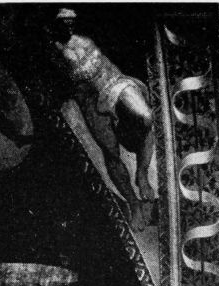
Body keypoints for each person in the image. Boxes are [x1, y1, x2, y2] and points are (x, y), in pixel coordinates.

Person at [50, 8, 156, 231]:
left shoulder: (86, 38)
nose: (69, 25)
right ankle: (133, 203)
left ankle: (142, 173)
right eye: (64, 22)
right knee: (110, 152)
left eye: (71, 21)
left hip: (114, 84)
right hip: (89, 100)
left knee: (146, 117)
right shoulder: (55, 52)